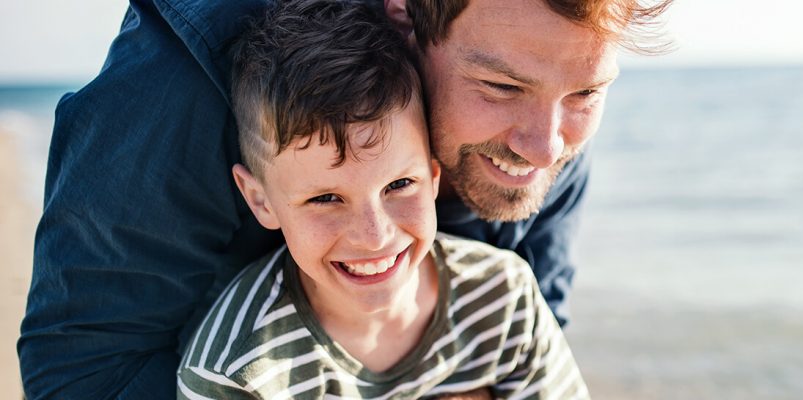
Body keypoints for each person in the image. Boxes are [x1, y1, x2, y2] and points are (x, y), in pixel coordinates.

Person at [19, 0, 670, 398]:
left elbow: (534, 334)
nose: (544, 147)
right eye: (500, 86)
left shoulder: (542, 123)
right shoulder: (170, 97)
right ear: (403, 14)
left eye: (587, 93)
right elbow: (82, 373)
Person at [177, 1, 587, 397]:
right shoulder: (235, 372)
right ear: (260, 200)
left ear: (432, 176)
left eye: (398, 185)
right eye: (325, 198)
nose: (374, 236)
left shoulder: (505, 298)